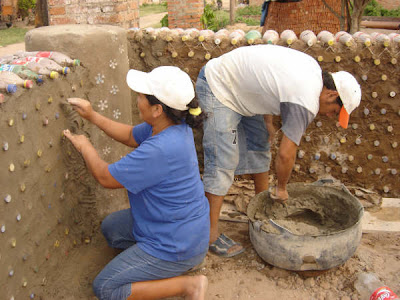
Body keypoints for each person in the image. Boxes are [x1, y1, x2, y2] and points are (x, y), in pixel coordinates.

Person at [195, 44, 362, 258]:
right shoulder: (307, 100)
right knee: (223, 162)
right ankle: (209, 236)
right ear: (331, 95)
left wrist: (268, 121)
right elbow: (286, 153)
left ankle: (262, 210)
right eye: (334, 111)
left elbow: (268, 83)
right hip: (219, 86)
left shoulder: (313, 72)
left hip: (242, 89)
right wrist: (281, 188)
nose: (330, 116)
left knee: (259, 145)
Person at [63, 66, 210, 300]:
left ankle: (188, 285)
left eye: (141, 96)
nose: (137, 99)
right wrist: (91, 115)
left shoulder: (160, 149)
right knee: (111, 228)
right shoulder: (172, 126)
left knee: (106, 287)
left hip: (177, 242)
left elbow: (105, 177)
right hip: (182, 228)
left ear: (157, 109)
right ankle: (166, 264)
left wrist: (84, 146)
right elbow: (131, 135)